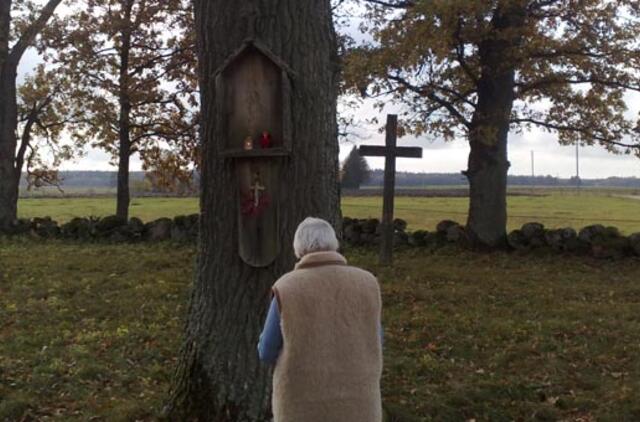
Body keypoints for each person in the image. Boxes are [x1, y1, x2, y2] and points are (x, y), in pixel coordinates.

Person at [258, 217, 383, 422]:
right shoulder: (367, 282)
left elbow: (266, 351)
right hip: (360, 402)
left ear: (298, 247)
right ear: (334, 243)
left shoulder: (287, 287)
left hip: (301, 406)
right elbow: (377, 341)